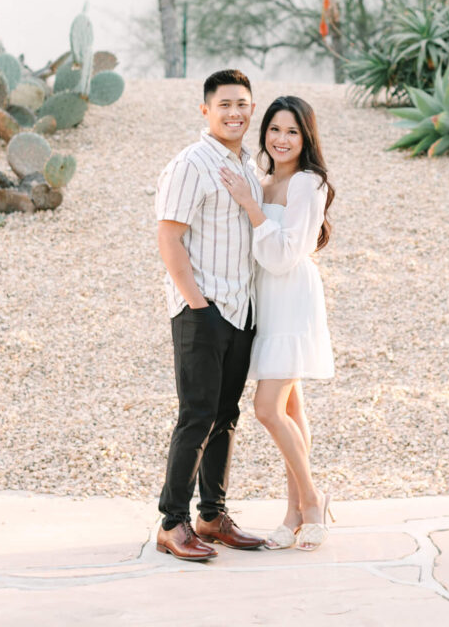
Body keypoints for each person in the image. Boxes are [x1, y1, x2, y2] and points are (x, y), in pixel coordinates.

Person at [154, 69, 265, 561]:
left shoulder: (249, 166)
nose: (234, 112)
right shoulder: (190, 164)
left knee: (226, 416)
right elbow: (169, 237)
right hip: (203, 310)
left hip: (241, 310)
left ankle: (211, 515)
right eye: (224, 104)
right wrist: (197, 304)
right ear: (206, 110)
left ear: (252, 108)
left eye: (242, 103)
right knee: (196, 417)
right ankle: (172, 523)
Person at [219, 95, 335, 552]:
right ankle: (293, 514)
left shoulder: (308, 183)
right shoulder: (262, 180)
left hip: (291, 298)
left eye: (292, 131)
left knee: (267, 409)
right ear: (263, 133)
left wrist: (251, 207)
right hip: (263, 299)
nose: (281, 139)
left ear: (305, 137)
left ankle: (311, 500)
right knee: (290, 410)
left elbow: (288, 255)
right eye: (274, 130)